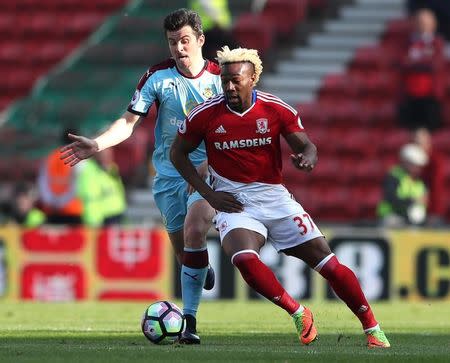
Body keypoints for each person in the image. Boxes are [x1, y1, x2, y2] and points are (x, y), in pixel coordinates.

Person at [170, 46, 390, 348]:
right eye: (225, 81)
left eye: (237, 80)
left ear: (253, 79)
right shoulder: (205, 114)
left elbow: (307, 145)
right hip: (234, 202)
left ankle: (372, 327)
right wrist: (210, 195)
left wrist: (306, 158)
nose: (230, 87)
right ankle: (299, 312)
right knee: (244, 259)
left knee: (328, 264)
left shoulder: (275, 109)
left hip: (275, 198)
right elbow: (177, 154)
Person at [60, 8, 221, 344]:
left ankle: (189, 323)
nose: (179, 48)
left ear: (200, 40)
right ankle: (200, 269)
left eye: (185, 40)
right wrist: (98, 143)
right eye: (173, 42)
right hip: (168, 176)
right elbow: (128, 123)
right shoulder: (157, 77)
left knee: (195, 229)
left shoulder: (220, 80)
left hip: (208, 174)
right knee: (184, 253)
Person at [397, 8, 445, 131]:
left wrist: (416, 62)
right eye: (420, 22)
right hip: (410, 95)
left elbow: (436, 64)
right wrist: (423, 62)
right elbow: (403, 63)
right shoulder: (407, 43)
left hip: (431, 96)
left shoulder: (437, 43)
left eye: (425, 22)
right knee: (410, 130)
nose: (422, 25)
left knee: (431, 130)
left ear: (433, 24)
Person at [38, 129, 84, 225]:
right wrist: (63, 202)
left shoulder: (51, 157)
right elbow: (78, 185)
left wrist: (53, 202)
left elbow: (42, 182)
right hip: (72, 210)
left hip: (52, 210)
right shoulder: (79, 157)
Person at [377, 143, 429, 227]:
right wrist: (412, 201)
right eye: (415, 165)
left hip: (413, 219)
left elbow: (423, 201)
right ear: (405, 161)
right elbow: (391, 198)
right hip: (392, 216)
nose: (417, 168)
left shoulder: (420, 182)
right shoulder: (394, 176)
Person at [77, 148, 127, 227]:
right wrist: (93, 220)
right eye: (104, 154)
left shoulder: (112, 168)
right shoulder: (89, 171)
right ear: (96, 155)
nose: (107, 156)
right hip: (101, 218)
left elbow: (118, 190)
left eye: (109, 154)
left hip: (117, 213)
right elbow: (90, 198)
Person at [413, 128, 446, 226]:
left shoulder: (435, 161)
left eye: (420, 142)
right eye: (416, 142)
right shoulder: (411, 163)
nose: (418, 145)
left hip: (432, 210)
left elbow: (435, 186)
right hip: (416, 209)